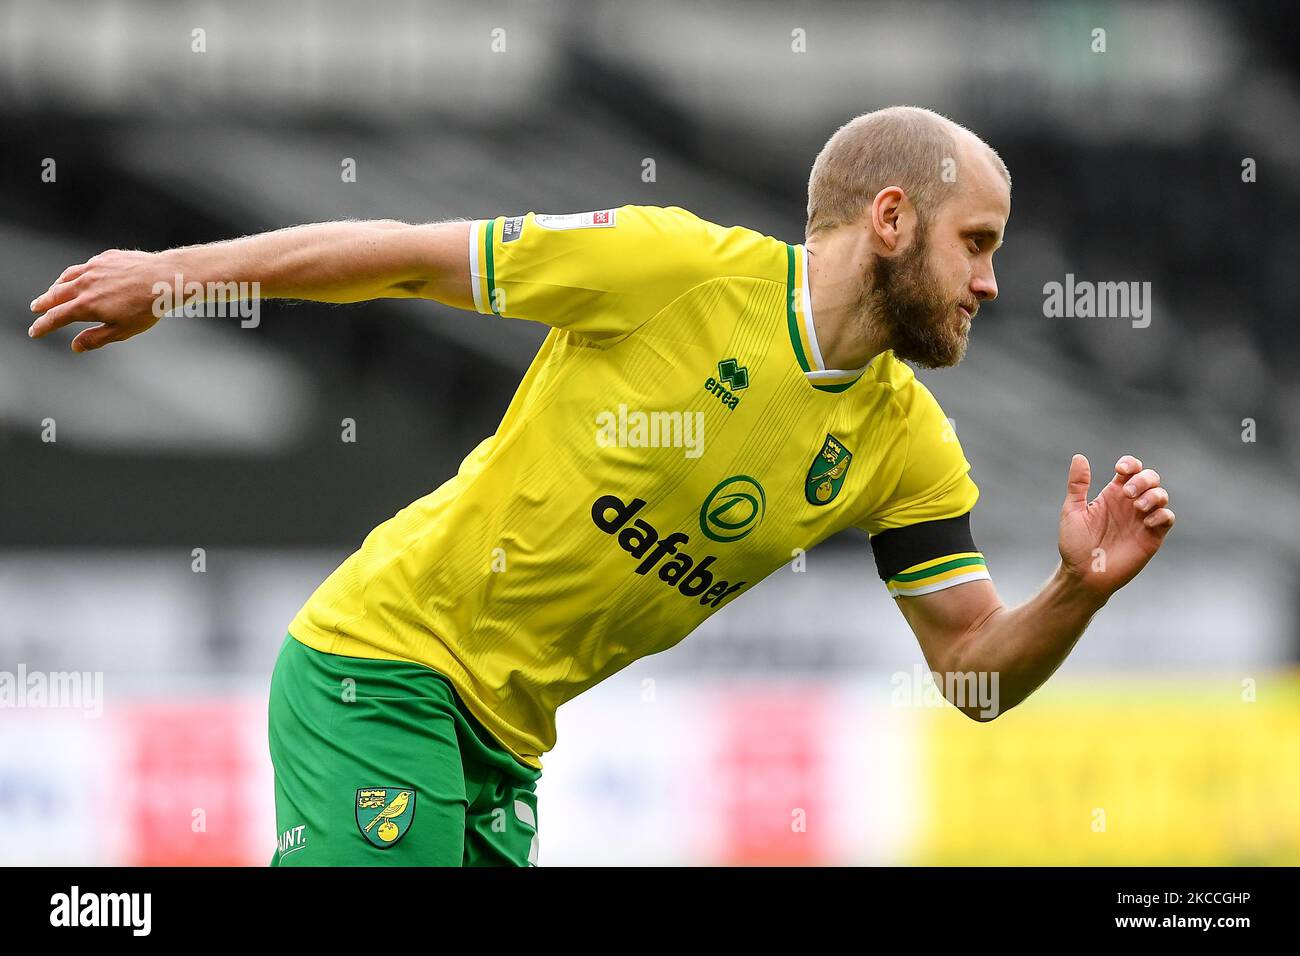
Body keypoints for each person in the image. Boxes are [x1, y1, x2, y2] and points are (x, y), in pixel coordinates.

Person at [27, 106, 1175, 866]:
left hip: (507, 747)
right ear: (890, 220)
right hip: (381, 668)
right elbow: (407, 254)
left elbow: (970, 679)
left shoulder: (907, 447)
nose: (989, 282)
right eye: (976, 242)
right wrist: (175, 276)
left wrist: (1074, 592)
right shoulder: (669, 267)